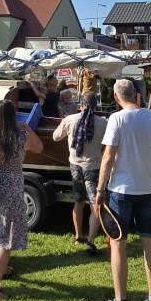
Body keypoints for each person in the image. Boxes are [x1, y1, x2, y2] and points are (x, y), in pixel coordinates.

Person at [94, 78, 151, 301]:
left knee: (118, 244)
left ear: (117, 98)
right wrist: (144, 155)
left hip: (121, 191)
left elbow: (108, 158)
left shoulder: (116, 119)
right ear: (136, 95)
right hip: (145, 189)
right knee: (150, 243)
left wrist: (99, 189)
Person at [0, 98, 43, 300]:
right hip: (12, 189)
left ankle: (0, 271)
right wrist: (26, 126)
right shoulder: (20, 136)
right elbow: (39, 147)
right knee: (7, 241)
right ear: (13, 116)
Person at [53, 88, 107, 256]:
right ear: (95, 104)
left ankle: (78, 236)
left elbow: (55, 137)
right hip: (93, 167)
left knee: (78, 201)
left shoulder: (70, 119)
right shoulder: (103, 123)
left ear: (80, 104)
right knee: (95, 206)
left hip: (75, 166)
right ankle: (90, 241)